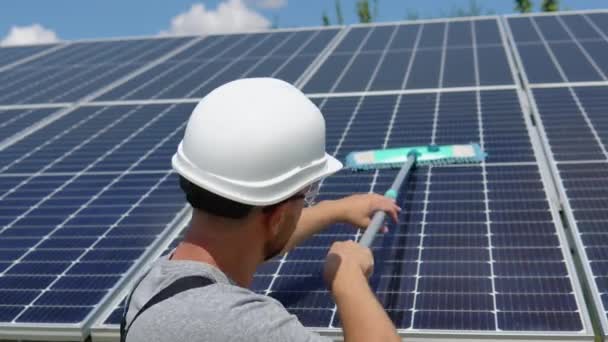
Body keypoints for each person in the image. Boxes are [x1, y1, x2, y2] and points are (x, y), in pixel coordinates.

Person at [121, 78, 402, 342]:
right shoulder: (239, 324)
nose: (309, 202)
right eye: (308, 195)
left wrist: (335, 209)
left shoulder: (154, 280)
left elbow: (249, 242)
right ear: (278, 219)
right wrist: (349, 279)